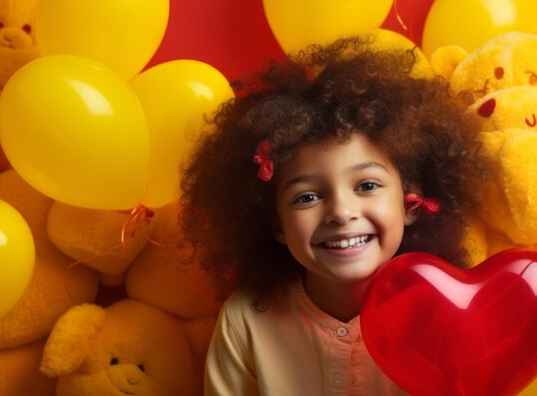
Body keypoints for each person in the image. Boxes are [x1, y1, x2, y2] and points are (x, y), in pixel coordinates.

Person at [179, 36, 487, 396]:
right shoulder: (247, 318)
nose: (341, 212)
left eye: (367, 186)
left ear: (411, 203)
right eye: (307, 196)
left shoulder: (445, 317)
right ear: (277, 224)